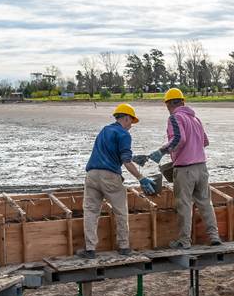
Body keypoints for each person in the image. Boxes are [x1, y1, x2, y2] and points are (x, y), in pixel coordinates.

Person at [76, 103, 156, 259]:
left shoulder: (105, 130)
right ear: (126, 118)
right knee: (120, 211)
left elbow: (109, 153)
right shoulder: (124, 135)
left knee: (91, 212)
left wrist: (132, 158)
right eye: (131, 122)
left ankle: (90, 249)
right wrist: (141, 178)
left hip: (91, 175)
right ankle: (124, 246)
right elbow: (125, 161)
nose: (131, 126)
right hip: (110, 176)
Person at [147, 88, 222, 248]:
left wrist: (161, 151)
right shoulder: (196, 119)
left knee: (184, 205)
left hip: (185, 170)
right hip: (202, 168)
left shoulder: (175, 117)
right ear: (183, 101)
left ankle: (184, 241)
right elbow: (205, 142)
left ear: (168, 104)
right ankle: (214, 237)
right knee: (205, 203)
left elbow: (179, 139)